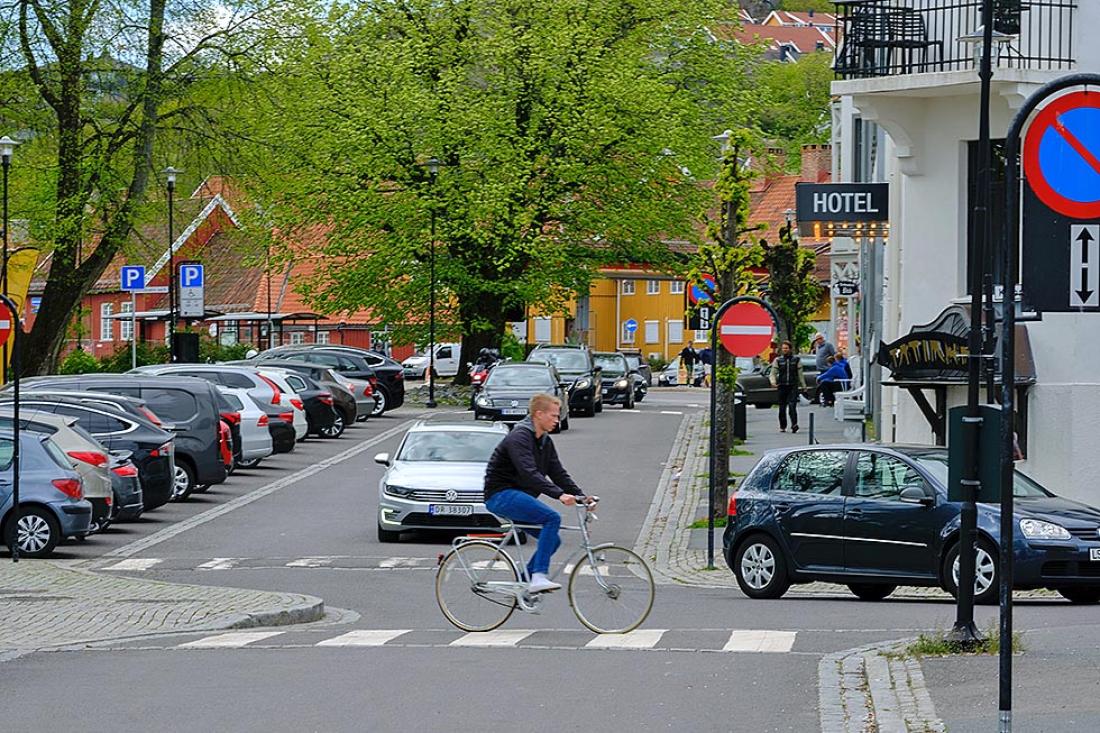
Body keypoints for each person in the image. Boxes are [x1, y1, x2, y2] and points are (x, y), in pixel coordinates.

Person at [483, 394, 590, 593]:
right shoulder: (519, 437)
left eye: (558, 416)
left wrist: (581, 497)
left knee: (552, 541)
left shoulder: (544, 441)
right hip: (501, 495)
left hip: (518, 497)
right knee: (552, 517)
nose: (557, 420)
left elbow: (558, 473)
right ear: (539, 414)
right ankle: (539, 576)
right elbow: (529, 473)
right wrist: (559, 495)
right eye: (553, 416)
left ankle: (524, 586)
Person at [769, 341, 806, 433]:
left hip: (793, 385)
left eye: (786, 348)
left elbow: (800, 374)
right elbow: (773, 373)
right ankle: (783, 426)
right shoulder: (778, 360)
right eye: (783, 348)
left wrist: (803, 385)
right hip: (782, 385)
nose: (785, 350)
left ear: (790, 349)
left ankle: (794, 424)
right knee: (782, 407)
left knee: (792, 405)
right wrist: (773, 382)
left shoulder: (796, 360)